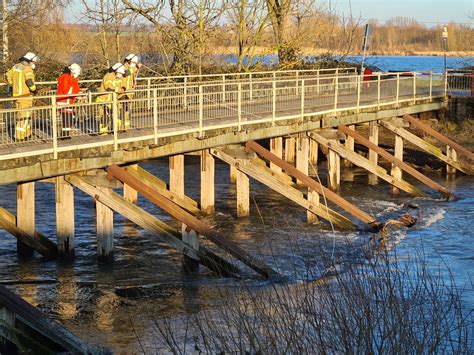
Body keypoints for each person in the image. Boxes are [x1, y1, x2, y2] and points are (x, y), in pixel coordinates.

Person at [6, 52, 39, 141]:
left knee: (24, 115)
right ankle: (19, 136)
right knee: (24, 116)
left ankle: (27, 134)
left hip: (16, 95)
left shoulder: (16, 66)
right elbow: (29, 82)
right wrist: (34, 89)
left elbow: (8, 76)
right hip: (25, 96)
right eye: (33, 62)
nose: (34, 64)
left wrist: (13, 84)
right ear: (30, 61)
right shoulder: (28, 69)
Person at [95, 63, 126, 135]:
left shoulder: (118, 77)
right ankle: (103, 131)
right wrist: (119, 90)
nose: (120, 74)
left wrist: (123, 91)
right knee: (104, 116)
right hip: (104, 100)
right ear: (115, 70)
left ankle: (114, 129)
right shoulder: (108, 76)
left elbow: (122, 86)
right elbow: (108, 87)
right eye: (119, 73)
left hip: (113, 100)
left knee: (115, 114)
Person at [56, 63, 84, 138]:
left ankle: (65, 135)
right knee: (67, 120)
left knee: (69, 119)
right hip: (63, 101)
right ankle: (64, 136)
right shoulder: (65, 77)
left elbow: (75, 89)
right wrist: (77, 96)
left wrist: (81, 95)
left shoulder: (71, 78)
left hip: (69, 101)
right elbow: (66, 91)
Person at [120, 53, 142, 130]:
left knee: (127, 111)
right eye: (133, 62)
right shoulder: (122, 68)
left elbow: (131, 76)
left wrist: (134, 82)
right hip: (122, 93)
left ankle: (126, 127)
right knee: (121, 111)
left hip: (130, 93)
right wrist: (136, 67)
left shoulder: (131, 69)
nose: (134, 64)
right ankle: (119, 127)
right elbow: (126, 73)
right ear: (129, 61)